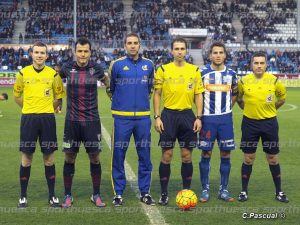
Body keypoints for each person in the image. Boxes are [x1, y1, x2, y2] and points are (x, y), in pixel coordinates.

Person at [59, 37, 110, 208]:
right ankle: (67, 195)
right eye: (79, 51)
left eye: (85, 51)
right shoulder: (66, 68)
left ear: (90, 52)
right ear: (75, 52)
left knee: (95, 158)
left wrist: (112, 94)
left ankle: (96, 195)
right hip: (71, 121)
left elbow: (106, 81)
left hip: (91, 121)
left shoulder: (96, 68)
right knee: (69, 157)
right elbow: (55, 82)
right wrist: (58, 99)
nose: (82, 54)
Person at [13, 41, 65, 208]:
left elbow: (59, 97)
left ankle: (52, 196)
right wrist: (28, 108)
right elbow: (16, 95)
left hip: (47, 119)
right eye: (36, 52)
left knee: (49, 158)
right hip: (28, 119)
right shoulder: (23, 73)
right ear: (32, 54)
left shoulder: (53, 74)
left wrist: (48, 109)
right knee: (27, 158)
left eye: (43, 53)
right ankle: (23, 196)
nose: (39, 55)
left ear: (47, 55)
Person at [153, 37, 204, 206]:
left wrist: (198, 117)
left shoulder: (194, 70)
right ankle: (164, 193)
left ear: (186, 51)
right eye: (177, 48)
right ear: (172, 51)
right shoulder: (163, 70)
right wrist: (157, 116)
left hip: (187, 116)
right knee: (166, 156)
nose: (180, 51)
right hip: (168, 116)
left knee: (186, 156)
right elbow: (157, 94)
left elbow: (198, 94)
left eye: (182, 48)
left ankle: (186, 191)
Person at [109, 33, 155, 207]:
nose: (133, 46)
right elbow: (111, 88)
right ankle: (118, 193)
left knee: (145, 155)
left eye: (135, 43)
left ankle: (145, 192)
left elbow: (150, 88)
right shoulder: (117, 65)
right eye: (129, 43)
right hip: (121, 118)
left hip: (143, 118)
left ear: (140, 45)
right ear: (124, 45)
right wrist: (121, 105)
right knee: (118, 155)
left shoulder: (149, 65)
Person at [237, 52, 288, 203]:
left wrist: (271, 110)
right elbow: (239, 99)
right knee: (248, 158)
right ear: (251, 65)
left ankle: (279, 192)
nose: (259, 66)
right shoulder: (243, 81)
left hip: (269, 124)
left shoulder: (275, 81)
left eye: (262, 63)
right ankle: (243, 191)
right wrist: (247, 110)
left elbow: (282, 99)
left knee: (272, 158)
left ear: (266, 65)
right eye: (256, 63)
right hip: (249, 124)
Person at [198, 42, 238, 202]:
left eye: (221, 52)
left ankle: (224, 189)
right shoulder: (202, 73)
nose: (218, 55)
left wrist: (227, 108)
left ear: (225, 55)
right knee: (206, 153)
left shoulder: (232, 74)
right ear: (210, 55)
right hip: (207, 120)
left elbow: (235, 93)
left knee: (225, 153)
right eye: (215, 52)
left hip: (225, 120)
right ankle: (205, 189)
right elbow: (197, 95)